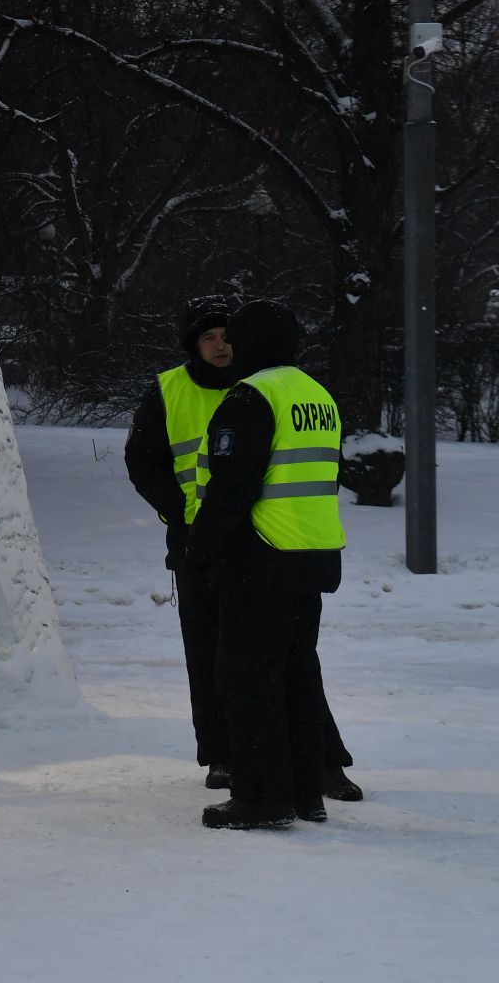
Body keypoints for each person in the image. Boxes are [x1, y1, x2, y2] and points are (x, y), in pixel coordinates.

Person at [189, 300, 353, 829]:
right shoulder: (315, 393)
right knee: (297, 676)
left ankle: (261, 797)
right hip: (313, 554)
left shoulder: (252, 396)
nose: (229, 346)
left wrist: (202, 548)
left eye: (236, 337)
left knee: (247, 680)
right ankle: (307, 792)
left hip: (262, 558)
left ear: (254, 342)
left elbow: (233, 486)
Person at [125, 295, 239, 788]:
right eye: (208, 337)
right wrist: (178, 512)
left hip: (257, 540)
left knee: (263, 652)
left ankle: (279, 748)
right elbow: (142, 461)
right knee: (206, 652)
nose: (220, 346)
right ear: (193, 344)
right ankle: (219, 753)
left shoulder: (259, 384)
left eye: (226, 335)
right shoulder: (168, 389)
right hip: (194, 545)